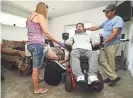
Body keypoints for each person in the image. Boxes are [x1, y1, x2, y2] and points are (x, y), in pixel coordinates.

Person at [26, 2, 66, 94]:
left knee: (36, 67)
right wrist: (59, 42)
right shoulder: (40, 16)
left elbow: (32, 30)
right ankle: (37, 89)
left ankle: (37, 80)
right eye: (46, 10)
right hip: (37, 45)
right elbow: (47, 33)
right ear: (43, 9)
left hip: (30, 44)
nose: (47, 12)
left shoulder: (30, 17)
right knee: (36, 69)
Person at [86, 4, 124, 87]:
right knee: (101, 60)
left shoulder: (118, 19)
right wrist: (85, 29)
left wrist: (105, 41)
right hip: (105, 44)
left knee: (111, 62)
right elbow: (96, 27)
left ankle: (112, 79)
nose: (106, 13)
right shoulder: (106, 21)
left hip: (112, 44)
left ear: (113, 11)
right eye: (105, 12)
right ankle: (113, 77)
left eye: (108, 11)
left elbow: (115, 33)